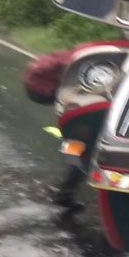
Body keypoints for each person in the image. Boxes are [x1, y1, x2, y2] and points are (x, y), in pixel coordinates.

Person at [23, 49, 86, 211]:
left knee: (74, 149)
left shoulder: (76, 57)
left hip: (63, 105)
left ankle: (65, 190)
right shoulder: (78, 62)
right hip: (70, 107)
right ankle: (64, 194)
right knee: (78, 151)